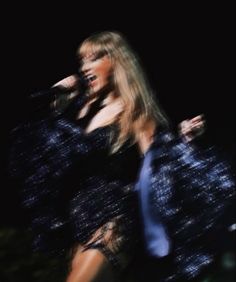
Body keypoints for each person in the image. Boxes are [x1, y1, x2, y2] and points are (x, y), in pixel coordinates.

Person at [9, 31, 234, 282]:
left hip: (112, 225)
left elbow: (160, 163)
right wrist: (55, 101)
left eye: (93, 58)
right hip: (78, 231)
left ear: (116, 62)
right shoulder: (80, 113)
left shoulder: (133, 112)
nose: (85, 68)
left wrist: (186, 142)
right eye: (82, 61)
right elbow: (37, 156)